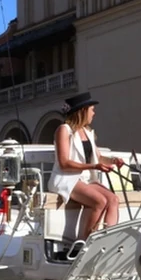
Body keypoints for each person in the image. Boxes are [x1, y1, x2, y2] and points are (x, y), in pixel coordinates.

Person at [49, 91, 123, 244]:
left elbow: (98, 157)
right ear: (83, 110)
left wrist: (114, 160)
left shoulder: (88, 132)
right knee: (100, 201)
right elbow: (64, 163)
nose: (94, 113)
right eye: (92, 109)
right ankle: (86, 243)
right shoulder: (64, 130)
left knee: (113, 199)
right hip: (67, 178)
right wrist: (94, 166)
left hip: (85, 179)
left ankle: (109, 240)